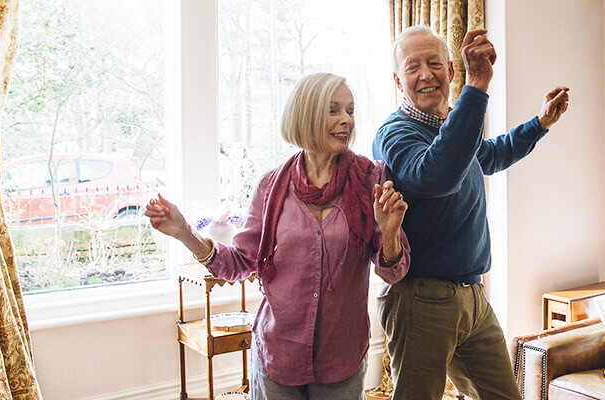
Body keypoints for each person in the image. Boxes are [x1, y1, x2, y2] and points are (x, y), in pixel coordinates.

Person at [147, 72, 411, 400]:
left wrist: (389, 233)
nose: (346, 120)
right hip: (278, 356)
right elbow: (240, 263)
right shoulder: (271, 187)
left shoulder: (371, 178)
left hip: (341, 358)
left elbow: (394, 272)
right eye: (334, 110)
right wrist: (185, 232)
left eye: (350, 111)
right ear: (306, 115)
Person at [373, 26, 570, 400]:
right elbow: (436, 175)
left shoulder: (451, 129)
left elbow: (490, 154)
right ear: (398, 80)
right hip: (421, 299)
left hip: (473, 297)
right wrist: (477, 85)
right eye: (413, 67)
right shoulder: (394, 134)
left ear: (450, 70)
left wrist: (540, 123)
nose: (426, 74)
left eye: (434, 63)